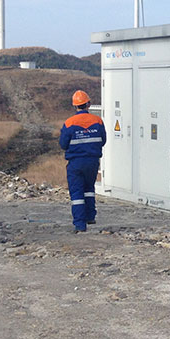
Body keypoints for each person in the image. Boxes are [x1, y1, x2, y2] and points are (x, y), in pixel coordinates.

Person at [59, 90, 106, 233]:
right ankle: (90, 216)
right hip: (92, 162)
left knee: (77, 193)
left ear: (75, 106)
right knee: (89, 189)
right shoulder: (97, 121)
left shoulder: (69, 123)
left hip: (75, 163)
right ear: (89, 104)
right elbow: (103, 140)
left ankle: (80, 225)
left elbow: (63, 144)